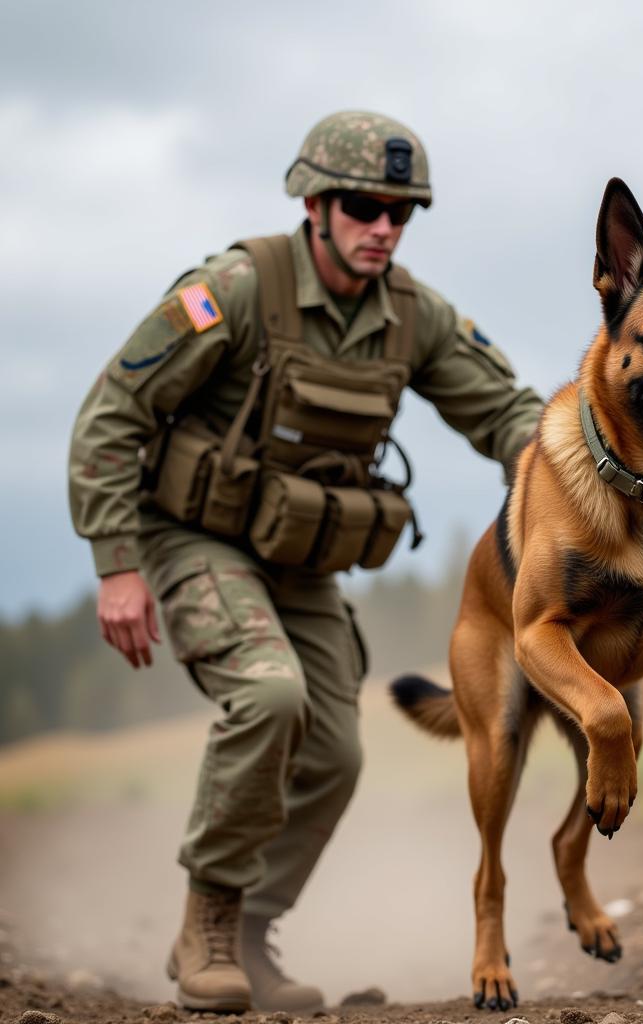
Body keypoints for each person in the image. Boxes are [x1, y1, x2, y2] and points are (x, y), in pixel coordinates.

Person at [67, 111, 543, 1014]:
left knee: (336, 751)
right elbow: (111, 414)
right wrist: (117, 564)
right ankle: (205, 917)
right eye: (365, 206)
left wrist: (573, 483)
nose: (384, 229)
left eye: (402, 214)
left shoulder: (415, 316)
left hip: (300, 564)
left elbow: (508, 414)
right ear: (316, 204)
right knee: (270, 694)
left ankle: (249, 931)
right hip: (194, 538)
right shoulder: (238, 289)